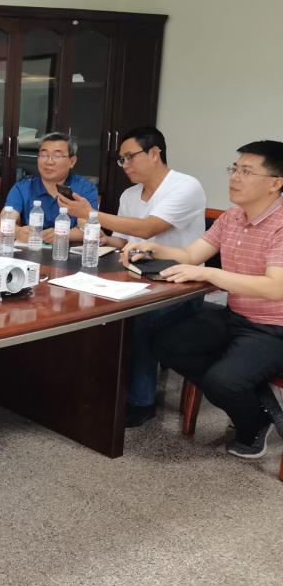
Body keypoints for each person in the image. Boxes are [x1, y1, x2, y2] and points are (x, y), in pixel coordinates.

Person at [123, 140, 283, 458]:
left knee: (223, 382)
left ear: (276, 183)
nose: (234, 177)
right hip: (236, 316)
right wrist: (152, 248)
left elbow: (275, 288)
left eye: (246, 171)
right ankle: (253, 391)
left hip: (273, 328)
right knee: (164, 342)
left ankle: (254, 425)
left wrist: (210, 273)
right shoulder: (232, 217)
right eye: (234, 169)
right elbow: (190, 254)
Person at [60, 126, 206, 427]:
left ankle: (140, 401)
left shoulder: (185, 186)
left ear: (154, 153)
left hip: (180, 284)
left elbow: (149, 228)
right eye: (121, 160)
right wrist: (105, 238)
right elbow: (127, 240)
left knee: (137, 319)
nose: (125, 165)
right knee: (88, 306)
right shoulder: (129, 194)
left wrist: (90, 214)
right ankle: (96, 386)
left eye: (130, 157)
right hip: (136, 276)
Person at [5, 131, 98, 243]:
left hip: (67, 250)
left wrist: (63, 234)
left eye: (57, 156)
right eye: (44, 155)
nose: (49, 161)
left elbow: (87, 228)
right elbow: (3, 220)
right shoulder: (24, 186)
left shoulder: (85, 188)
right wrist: (18, 231)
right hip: (32, 249)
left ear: (72, 161)